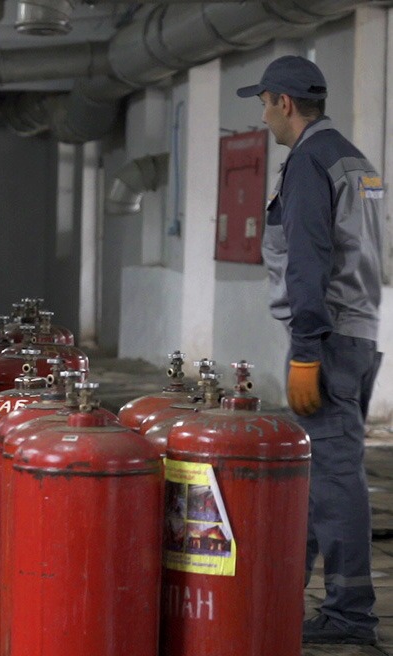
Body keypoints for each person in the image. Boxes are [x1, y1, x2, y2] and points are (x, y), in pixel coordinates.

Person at [238, 55, 384, 646]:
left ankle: (350, 612)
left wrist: (304, 351)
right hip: (360, 335)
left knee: (336, 477)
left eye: (265, 103)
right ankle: (285, 590)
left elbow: (309, 262)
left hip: (325, 342)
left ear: (285, 103)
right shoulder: (355, 160)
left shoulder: (308, 164)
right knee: (321, 473)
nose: (264, 114)